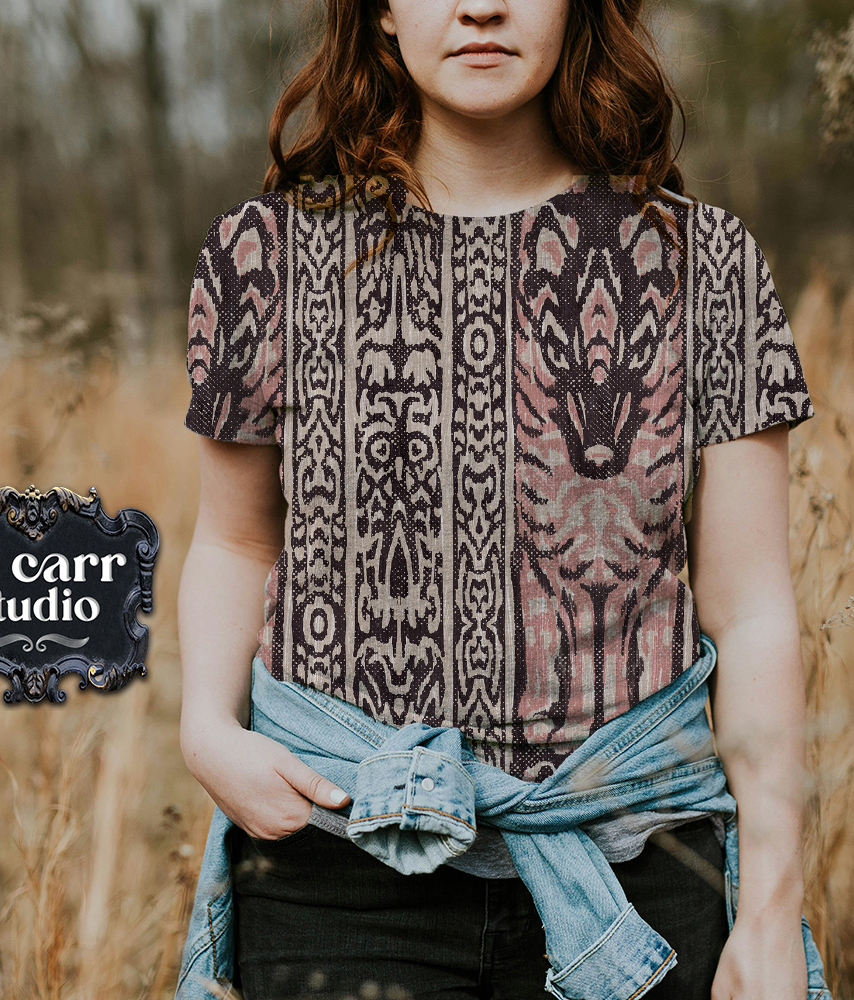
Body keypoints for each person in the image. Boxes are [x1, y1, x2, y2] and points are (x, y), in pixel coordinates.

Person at [177, 1, 824, 998]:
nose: (480, 5)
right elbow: (234, 540)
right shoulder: (265, 256)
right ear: (384, 12)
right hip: (340, 875)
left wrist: (773, 907)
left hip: (637, 873)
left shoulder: (707, 264)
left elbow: (753, 611)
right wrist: (206, 732)